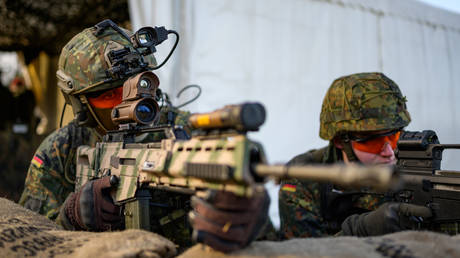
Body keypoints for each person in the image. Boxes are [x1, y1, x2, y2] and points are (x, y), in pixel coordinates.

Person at [19, 20, 269, 253]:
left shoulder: (187, 136)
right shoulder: (61, 150)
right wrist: (69, 217)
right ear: (80, 105)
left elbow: (265, 235)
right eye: (110, 95)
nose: (129, 101)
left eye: (137, 85)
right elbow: (23, 237)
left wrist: (247, 211)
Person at [278, 72, 432, 238]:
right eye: (374, 142)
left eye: (395, 137)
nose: (389, 152)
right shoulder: (304, 177)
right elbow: (302, 253)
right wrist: (358, 231)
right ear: (340, 141)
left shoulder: (416, 168)